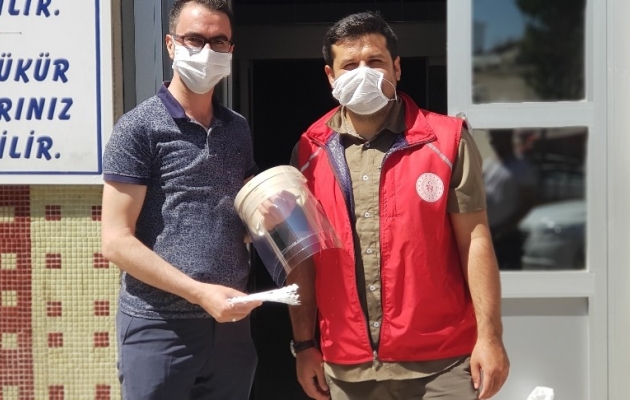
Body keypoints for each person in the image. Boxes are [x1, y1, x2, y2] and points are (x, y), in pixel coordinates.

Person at [286, 11, 510, 400]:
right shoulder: (308, 151)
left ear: (397, 68)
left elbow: (474, 240)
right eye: (349, 65)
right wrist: (304, 345)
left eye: (375, 61)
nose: (363, 73)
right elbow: (302, 258)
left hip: (442, 364)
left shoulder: (447, 141)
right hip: (347, 368)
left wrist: (490, 338)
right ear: (330, 76)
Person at [100, 1, 261, 399]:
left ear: (231, 50)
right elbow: (116, 241)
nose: (207, 50)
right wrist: (199, 293)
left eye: (218, 41)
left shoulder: (237, 128)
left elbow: (242, 214)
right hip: (159, 327)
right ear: (171, 45)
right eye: (194, 39)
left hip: (230, 327)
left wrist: (271, 213)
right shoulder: (137, 128)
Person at [483, 129, 538, 270]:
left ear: (507, 137)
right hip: (487, 233)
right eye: (492, 138)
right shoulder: (489, 165)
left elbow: (527, 203)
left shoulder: (521, 168)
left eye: (497, 137)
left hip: (507, 236)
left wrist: (503, 229)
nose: (493, 142)